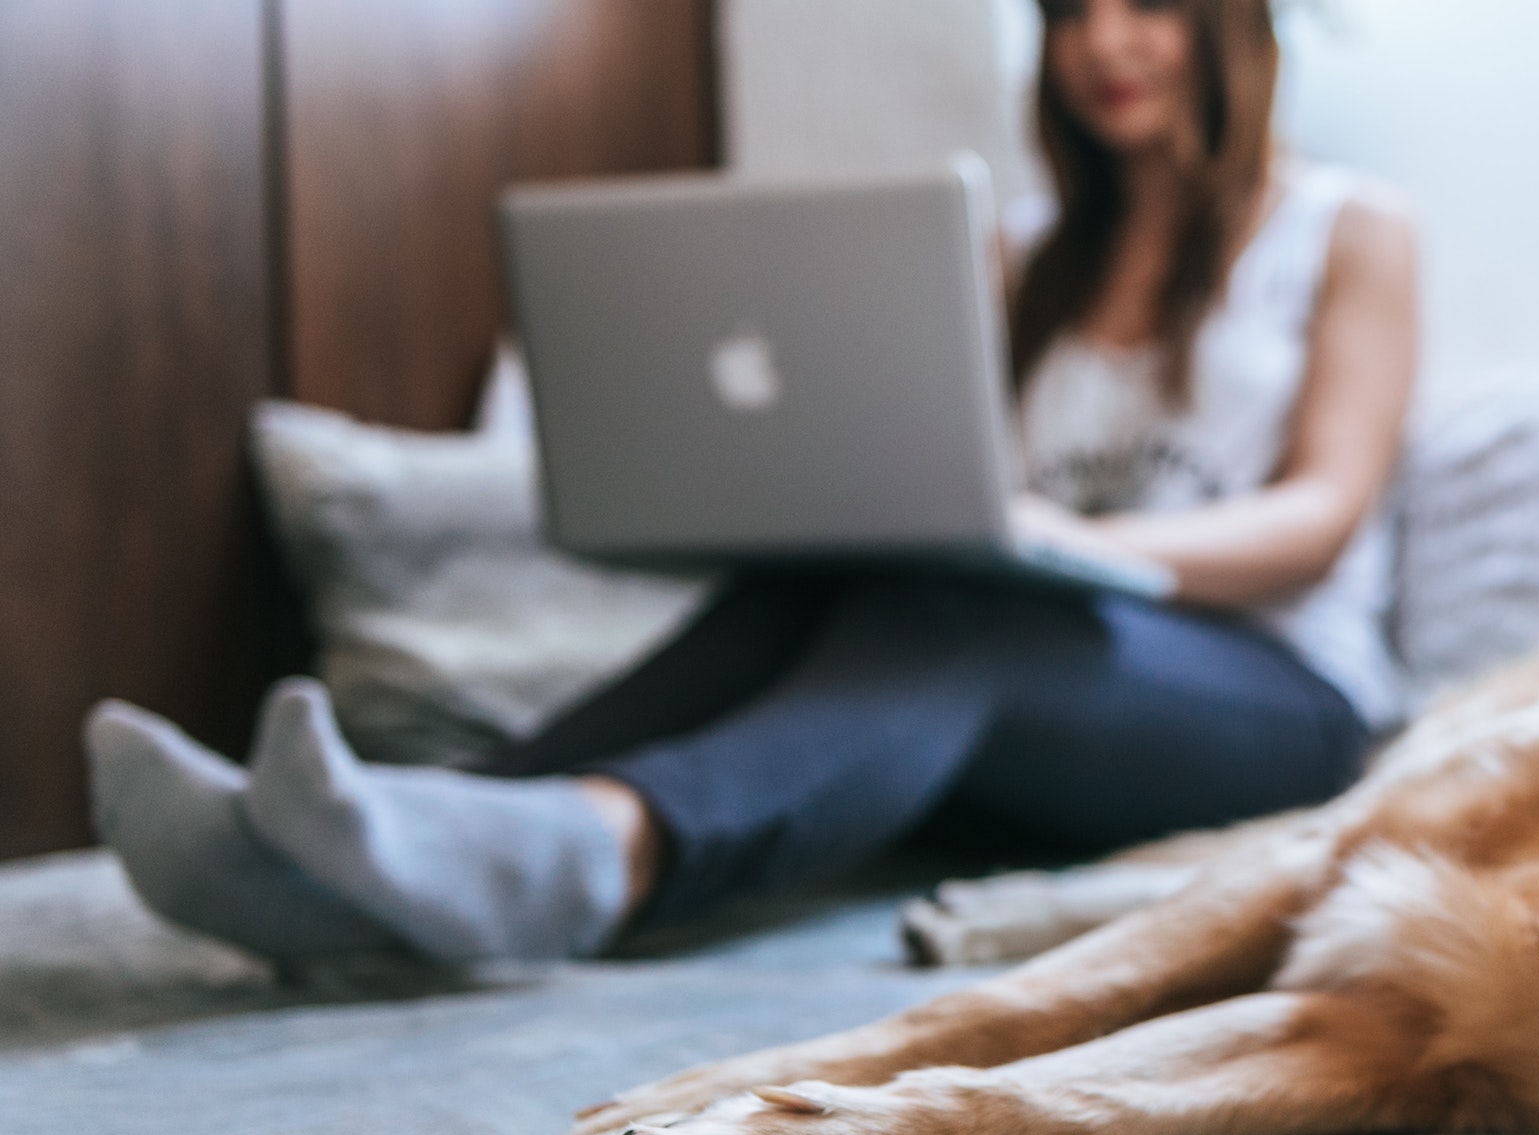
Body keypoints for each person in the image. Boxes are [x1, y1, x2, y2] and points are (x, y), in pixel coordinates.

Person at [83, 0, 1418, 964]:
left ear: (1233, 23)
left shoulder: (1348, 228)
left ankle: (599, 851)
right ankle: (399, 837)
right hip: (1038, 667)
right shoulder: (1020, 255)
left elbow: (1322, 516)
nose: (1104, 43)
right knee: (855, 578)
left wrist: (1075, 535)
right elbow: (942, 473)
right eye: (1072, 12)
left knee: (968, 618)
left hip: (1274, 699)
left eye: (1149, 7)